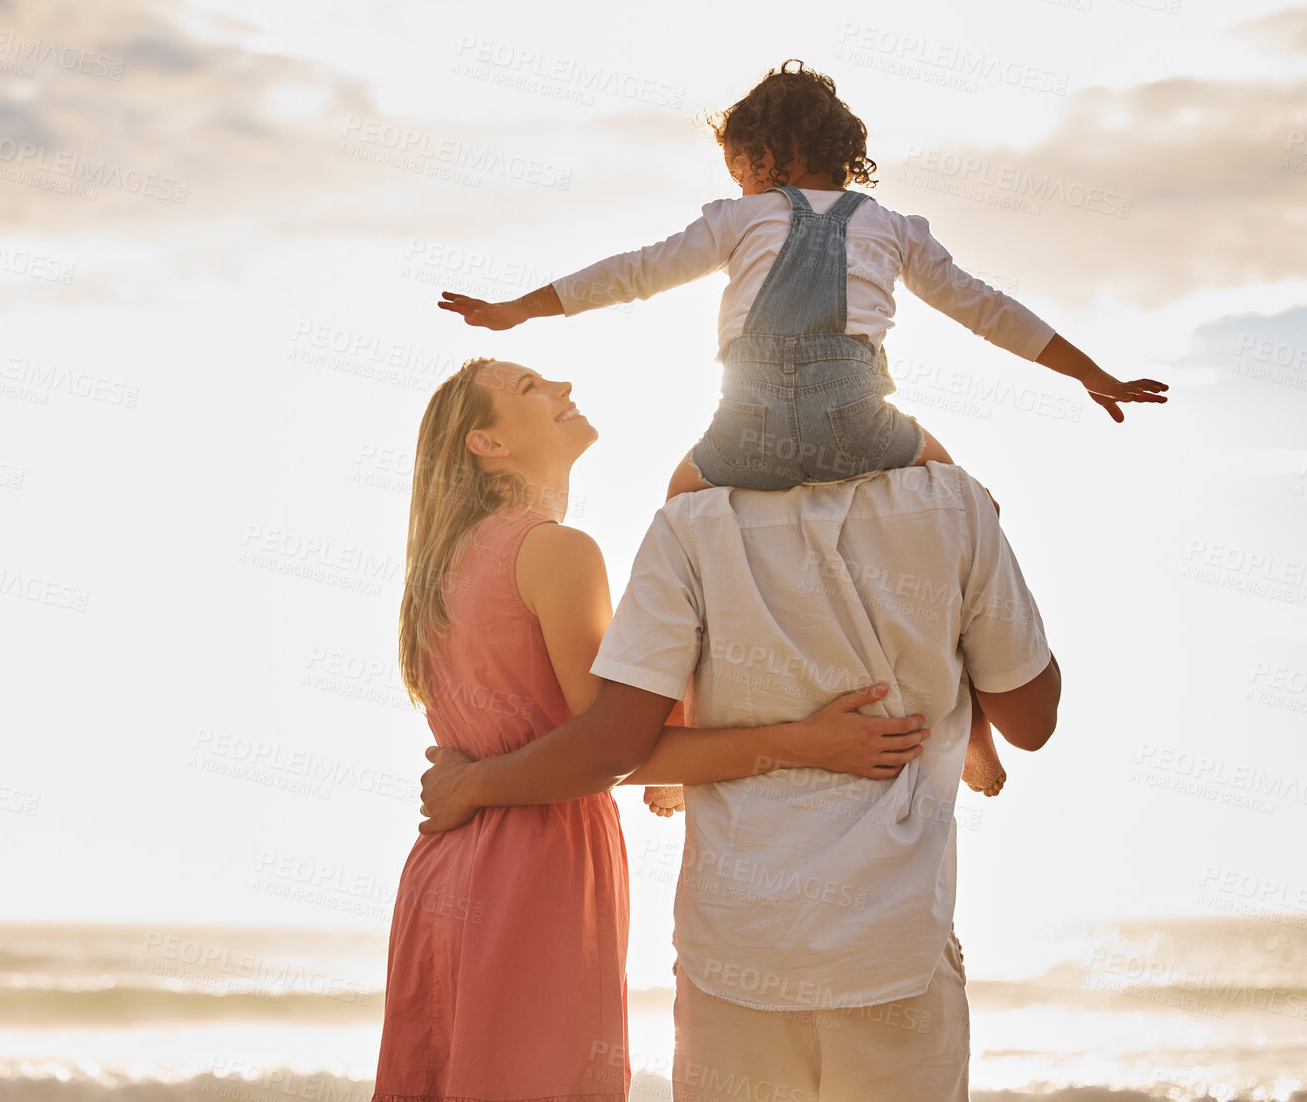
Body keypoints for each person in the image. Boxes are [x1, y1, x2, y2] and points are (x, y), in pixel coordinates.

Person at [437, 58, 1161, 800]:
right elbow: (986, 309)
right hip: (859, 418)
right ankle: (970, 712)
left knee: (677, 503)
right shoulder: (894, 228)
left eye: (740, 168)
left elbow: (635, 272)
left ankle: (678, 724)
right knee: (973, 498)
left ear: (761, 157)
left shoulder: (739, 216)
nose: (744, 184)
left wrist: (519, 308)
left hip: (748, 424)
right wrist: (1089, 372)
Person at [418, 449, 1061, 1099]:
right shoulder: (947, 499)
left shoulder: (689, 516)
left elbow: (614, 746)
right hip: (888, 949)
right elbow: (1033, 720)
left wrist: (477, 782)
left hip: (736, 951)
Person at [374, 355, 932, 1102]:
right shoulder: (555, 551)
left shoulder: (444, 566)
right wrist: (807, 742)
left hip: (445, 871)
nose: (565, 386)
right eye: (530, 389)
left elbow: (599, 741)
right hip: (531, 868)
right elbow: (610, 751)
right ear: (488, 443)